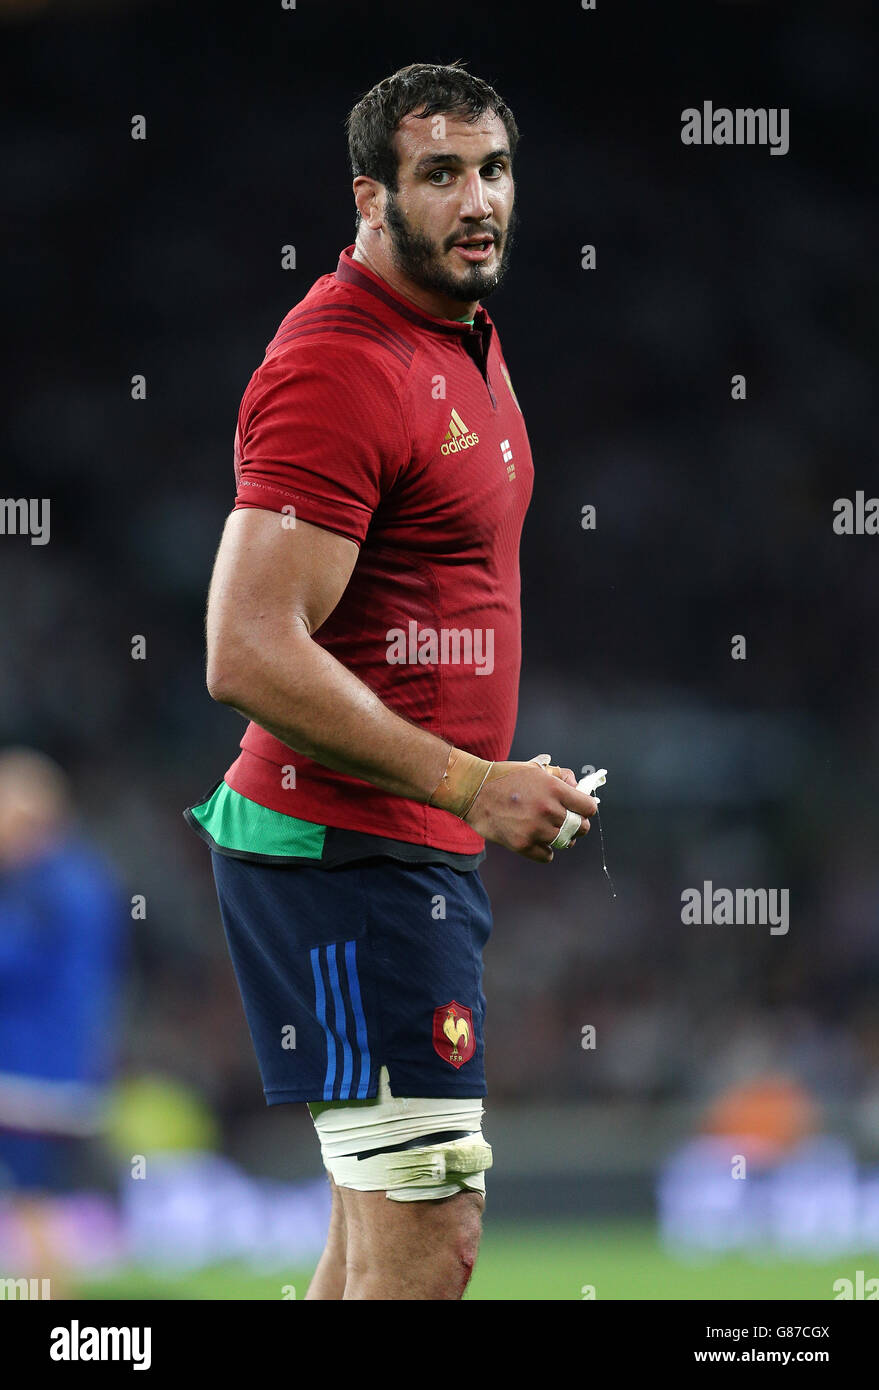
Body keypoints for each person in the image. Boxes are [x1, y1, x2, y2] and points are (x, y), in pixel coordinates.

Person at [185, 60, 597, 1301]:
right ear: (371, 196)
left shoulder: (459, 328)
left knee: (374, 1245)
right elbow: (243, 647)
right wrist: (472, 781)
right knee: (433, 1231)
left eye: (494, 171)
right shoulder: (339, 363)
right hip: (340, 857)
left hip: (399, 853)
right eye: (440, 175)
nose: (479, 202)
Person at [0, 747, 124, 1287]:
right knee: (37, 1203)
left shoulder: (43, 886)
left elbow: (14, 963)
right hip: (67, 1066)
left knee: (34, 1204)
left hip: (31, 1077)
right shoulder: (88, 876)